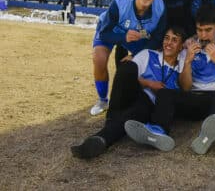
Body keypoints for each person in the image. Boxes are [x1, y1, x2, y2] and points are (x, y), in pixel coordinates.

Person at [125, 7, 215, 155]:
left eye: (208, 30)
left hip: (214, 100)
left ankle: (208, 133)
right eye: (199, 30)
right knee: (165, 93)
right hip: (192, 99)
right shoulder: (187, 50)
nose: (203, 35)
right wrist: (188, 61)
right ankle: (158, 131)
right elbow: (185, 87)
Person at [71, 27, 185, 159]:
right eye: (166, 38)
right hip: (134, 93)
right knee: (128, 67)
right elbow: (129, 77)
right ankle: (111, 118)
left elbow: (184, 89)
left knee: (133, 113)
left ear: (181, 47)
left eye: (174, 40)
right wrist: (149, 83)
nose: (169, 43)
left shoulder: (181, 69)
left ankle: (100, 139)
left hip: (149, 106)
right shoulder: (149, 54)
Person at [90, 0, 168, 116]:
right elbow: (105, 33)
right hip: (115, 31)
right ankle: (102, 100)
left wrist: (136, 56)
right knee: (99, 58)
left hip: (139, 35)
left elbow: (157, 37)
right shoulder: (120, 1)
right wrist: (123, 37)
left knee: (141, 64)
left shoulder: (160, 7)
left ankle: (133, 99)